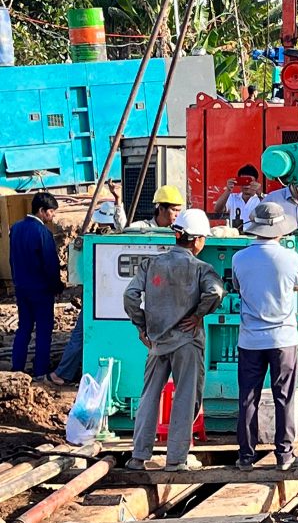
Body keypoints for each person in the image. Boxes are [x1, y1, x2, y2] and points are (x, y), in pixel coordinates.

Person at [124, 209, 224, 472]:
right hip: (186, 342)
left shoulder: (151, 264)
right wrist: (198, 314)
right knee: (185, 396)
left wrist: (141, 324)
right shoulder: (201, 268)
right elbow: (215, 292)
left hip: (157, 342)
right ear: (197, 240)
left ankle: (138, 456)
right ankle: (176, 459)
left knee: (149, 397)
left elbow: (130, 296)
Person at [231, 202, 298, 472]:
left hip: (250, 340)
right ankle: (284, 455)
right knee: (284, 396)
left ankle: (246, 457)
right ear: (280, 229)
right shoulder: (290, 258)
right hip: (283, 339)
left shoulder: (239, 258)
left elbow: (238, 288)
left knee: (247, 397)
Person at [45, 200, 125, 386]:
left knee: (80, 336)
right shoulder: (119, 239)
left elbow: (80, 274)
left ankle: (63, 374)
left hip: (96, 298)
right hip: (113, 301)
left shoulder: (94, 242)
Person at [10, 193, 63, 378]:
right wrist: (57, 286)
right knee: (43, 331)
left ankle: (17, 368)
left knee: (23, 328)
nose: (52, 216)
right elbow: (50, 264)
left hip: (21, 287)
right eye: (51, 212)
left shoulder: (15, 228)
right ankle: (40, 371)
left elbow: (12, 259)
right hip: (41, 290)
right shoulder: (43, 233)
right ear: (41, 211)